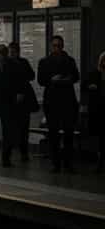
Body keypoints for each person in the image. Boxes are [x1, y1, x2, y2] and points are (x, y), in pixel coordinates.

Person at [37, 35, 80, 173]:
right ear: (51, 47)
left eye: (59, 46)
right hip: (52, 101)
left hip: (67, 101)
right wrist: (51, 79)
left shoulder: (69, 60)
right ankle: (56, 164)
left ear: (63, 46)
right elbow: (41, 80)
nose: (57, 48)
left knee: (68, 134)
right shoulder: (44, 62)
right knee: (53, 134)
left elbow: (76, 76)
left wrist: (68, 79)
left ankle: (68, 163)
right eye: (55, 46)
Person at [10, 42, 39, 160]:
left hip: (21, 100)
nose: (13, 54)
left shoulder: (21, 63)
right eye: (11, 52)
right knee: (16, 126)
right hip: (15, 99)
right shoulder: (18, 63)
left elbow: (31, 75)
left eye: (14, 52)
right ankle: (18, 150)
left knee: (23, 127)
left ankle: (23, 151)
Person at [83, 51, 105, 173]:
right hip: (97, 110)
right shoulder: (93, 74)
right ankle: (99, 161)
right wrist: (89, 87)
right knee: (99, 137)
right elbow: (84, 86)